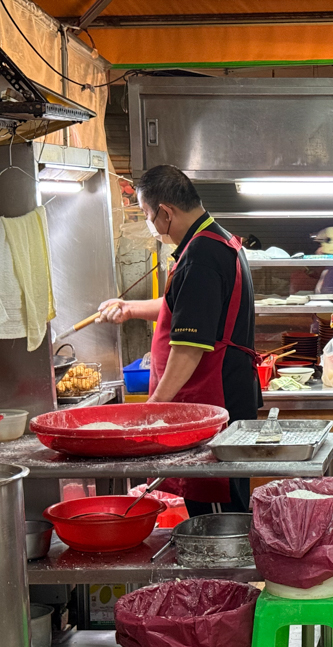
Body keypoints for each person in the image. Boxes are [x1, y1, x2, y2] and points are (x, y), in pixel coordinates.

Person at [97, 165, 261, 515]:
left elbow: (189, 348)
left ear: (166, 213)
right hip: (218, 400)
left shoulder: (201, 257)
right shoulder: (214, 239)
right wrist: (130, 308)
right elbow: (185, 308)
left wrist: (154, 407)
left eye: (146, 215)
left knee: (218, 515)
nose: (149, 224)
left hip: (209, 403)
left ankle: (224, 572)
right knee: (217, 507)